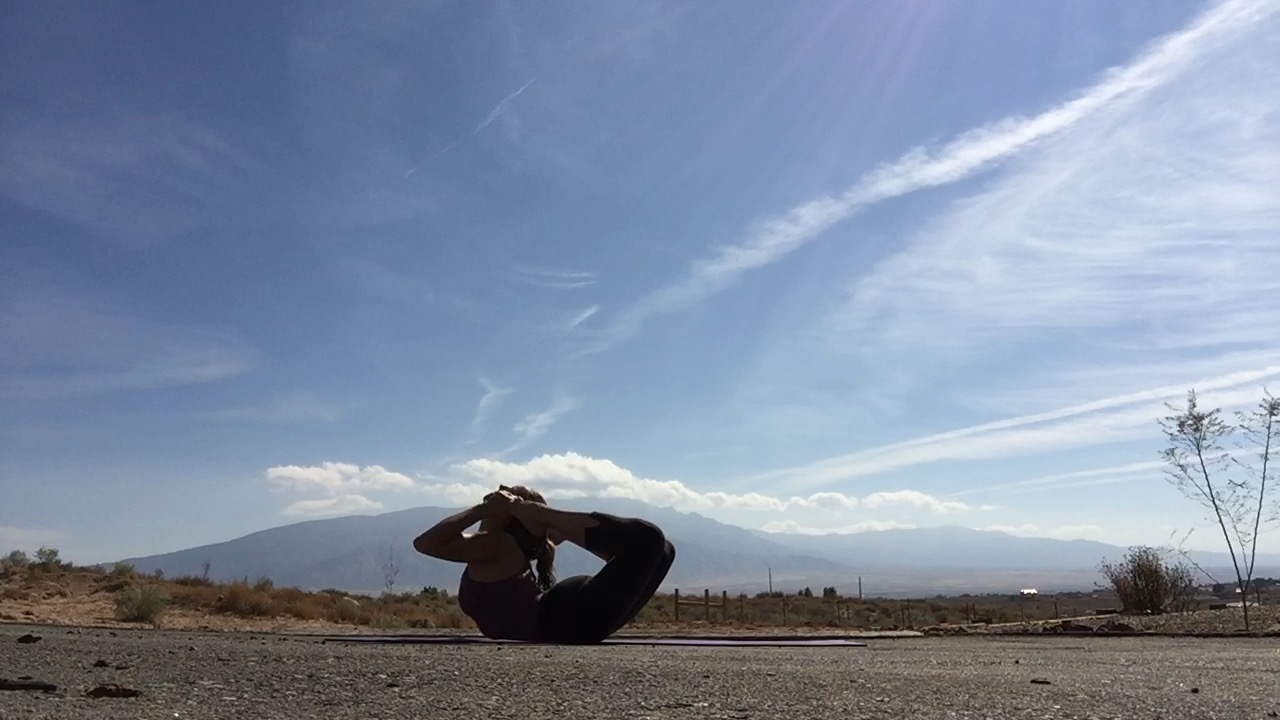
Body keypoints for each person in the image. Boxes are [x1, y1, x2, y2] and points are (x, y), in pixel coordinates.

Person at [412, 485, 675, 644]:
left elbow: (425, 543)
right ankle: (537, 514)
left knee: (657, 545)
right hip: (573, 619)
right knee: (658, 546)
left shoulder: (499, 543)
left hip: (570, 617)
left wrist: (488, 511)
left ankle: (536, 513)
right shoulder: (499, 546)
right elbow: (426, 544)